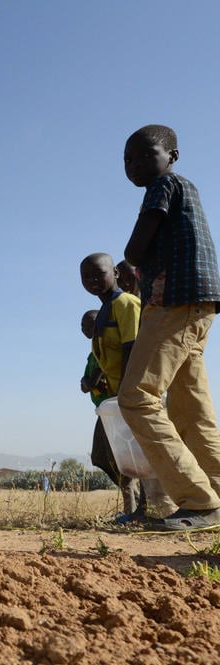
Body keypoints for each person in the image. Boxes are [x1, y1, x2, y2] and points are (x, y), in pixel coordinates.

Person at [119, 124, 220, 531]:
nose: (135, 164)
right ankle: (214, 491)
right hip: (199, 305)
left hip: (174, 303)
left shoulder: (164, 187)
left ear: (172, 156)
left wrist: (133, 262)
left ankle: (198, 500)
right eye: (128, 160)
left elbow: (134, 248)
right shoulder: (188, 190)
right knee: (189, 407)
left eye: (145, 155)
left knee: (137, 397)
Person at [78, 255, 143, 520]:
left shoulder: (127, 303)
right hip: (114, 402)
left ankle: (148, 508)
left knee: (142, 456)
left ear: (115, 272)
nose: (93, 281)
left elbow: (133, 348)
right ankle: (139, 506)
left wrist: (128, 391)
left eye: (98, 274)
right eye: (86, 278)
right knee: (105, 456)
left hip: (131, 395)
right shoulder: (106, 310)